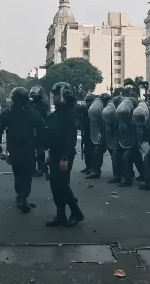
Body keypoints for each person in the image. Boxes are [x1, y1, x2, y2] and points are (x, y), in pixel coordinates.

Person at [0, 86, 46, 213]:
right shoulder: (32, 113)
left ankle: (20, 195)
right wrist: (41, 145)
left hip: (13, 147)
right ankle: (23, 195)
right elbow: (42, 129)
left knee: (17, 172)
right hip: (28, 148)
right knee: (27, 174)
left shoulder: (8, 112)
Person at [45, 82, 85, 227]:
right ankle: (60, 215)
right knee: (55, 185)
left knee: (61, 184)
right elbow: (54, 136)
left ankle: (76, 212)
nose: (54, 97)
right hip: (55, 153)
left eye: (57, 94)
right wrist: (50, 153)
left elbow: (69, 138)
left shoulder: (70, 113)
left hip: (65, 154)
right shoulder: (57, 113)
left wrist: (65, 158)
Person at [29, 85, 50, 177]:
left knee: (40, 151)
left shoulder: (43, 105)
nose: (35, 95)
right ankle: (32, 168)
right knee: (30, 151)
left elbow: (47, 117)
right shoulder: (29, 104)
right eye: (33, 93)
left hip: (40, 130)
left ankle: (41, 169)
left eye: (36, 93)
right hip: (30, 129)